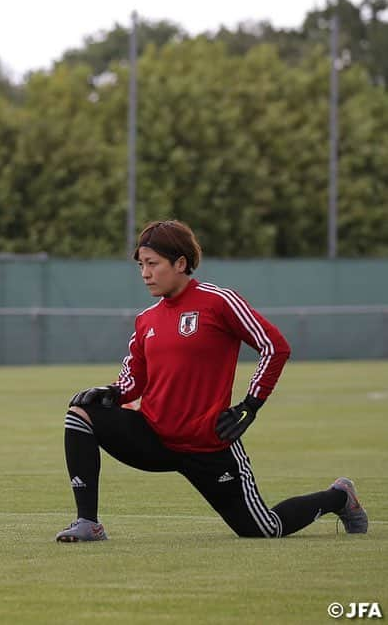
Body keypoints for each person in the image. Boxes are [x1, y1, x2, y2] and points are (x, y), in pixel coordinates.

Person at [56, 219, 368, 541]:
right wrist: (111, 392)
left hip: (208, 444)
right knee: (80, 415)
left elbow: (275, 347)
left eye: (152, 264)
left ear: (180, 263)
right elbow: (134, 380)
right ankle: (87, 523)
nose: (145, 273)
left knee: (263, 530)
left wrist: (250, 405)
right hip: (154, 439)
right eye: (141, 265)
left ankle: (340, 496)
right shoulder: (145, 319)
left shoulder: (219, 302)